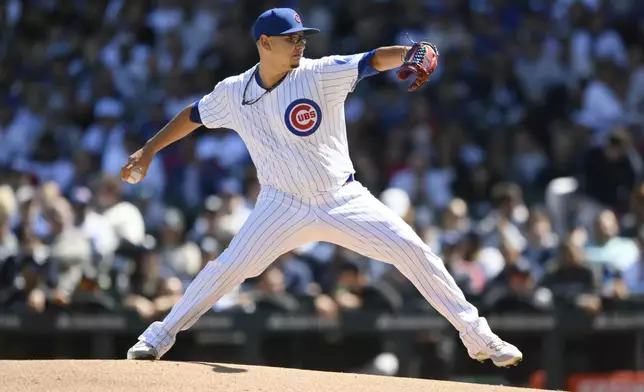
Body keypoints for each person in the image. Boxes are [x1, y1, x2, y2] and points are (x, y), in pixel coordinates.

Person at [121, 8, 522, 368]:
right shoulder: (232, 91)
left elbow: (370, 61)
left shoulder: (319, 73)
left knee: (413, 250)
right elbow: (192, 115)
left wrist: (412, 51)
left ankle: (478, 337)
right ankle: (157, 337)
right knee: (227, 268)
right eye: (291, 38)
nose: (300, 44)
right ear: (264, 43)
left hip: (341, 197)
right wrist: (150, 149)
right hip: (281, 204)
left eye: (302, 37)